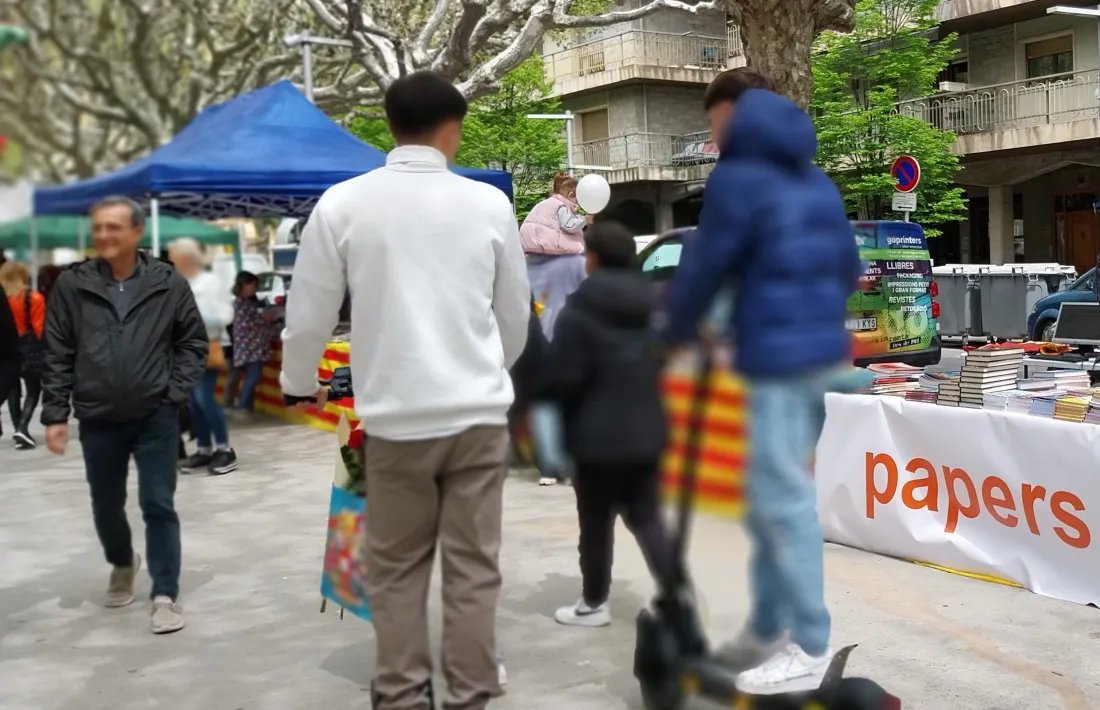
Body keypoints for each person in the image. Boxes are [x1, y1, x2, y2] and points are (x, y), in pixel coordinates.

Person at [280, 70, 529, 710]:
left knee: (394, 569)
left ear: (389, 126)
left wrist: (299, 383)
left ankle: (399, 695)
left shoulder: (342, 203)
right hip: (477, 420)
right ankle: (471, 692)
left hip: (394, 424)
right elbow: (514, 319)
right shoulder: (489, 204)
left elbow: (307, 315)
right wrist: (485, 371)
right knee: (474, 570)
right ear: (454, 127)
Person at [662, 68, 862, 695]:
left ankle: (807, 642)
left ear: (735, 116)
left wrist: (669, 336)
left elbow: (703, 266)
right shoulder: (817, 180)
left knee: (781, 500)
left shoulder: (736, 178)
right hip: (823, 355)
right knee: (770, 499)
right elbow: (850, 268)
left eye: (716, 122)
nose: (714, 137)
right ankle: (771, 623)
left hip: (777, 359)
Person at [40, 195, 207, 634]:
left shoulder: (167, 283)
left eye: (114, 227)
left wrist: (173, 393)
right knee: (106, 504)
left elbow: (192, 342)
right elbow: (56, 352)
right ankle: (122, 560)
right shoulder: (72, 286)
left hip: (155, 415)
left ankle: (165, 593)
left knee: (158, 503)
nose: (104, 236)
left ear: (136, 231)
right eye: (98, 228)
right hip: (97, 417)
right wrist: (54, 414)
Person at [538, 221, 674, 627]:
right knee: (648, 519)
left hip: (595, 440)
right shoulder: (654, 307)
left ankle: (594, 603)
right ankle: (677, 596)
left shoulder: (578, 312)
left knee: (595, 525)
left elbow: (564, 379)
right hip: (647, 431)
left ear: (592, 258)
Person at [169, 237, 238, 475]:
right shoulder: (177, 283)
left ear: (186, 258)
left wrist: (197, 323)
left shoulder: (209, 282)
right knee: (193, 402)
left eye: (173, 256)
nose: (171, 260)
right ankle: (204, 448)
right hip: (184, 350)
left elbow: (226, 313)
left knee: (203, 398)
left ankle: (224, 449)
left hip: (207, 347)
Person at [520, 174, 589, 342]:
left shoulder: (546, 204)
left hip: (537, 255)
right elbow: (569, 225)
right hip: (556, 257)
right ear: (571, 193)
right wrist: (584, 219)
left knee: (541, 303)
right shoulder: (561, 206)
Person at [0, 261, 45, 448]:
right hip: (29, 350)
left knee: (12, 391)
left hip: (6, 351)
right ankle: (23, 428)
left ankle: (18, 427)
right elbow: (39, 327)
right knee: (33, 390)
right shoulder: (34, 297)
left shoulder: (4, 298)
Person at [227, 270, 274, 419]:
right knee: (254, 375)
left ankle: (246, 408)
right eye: (252, 286)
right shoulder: (240, 304)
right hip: (248, 348)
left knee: (250, 375)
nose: (254, 289)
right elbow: (246, 325)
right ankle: (241, 406)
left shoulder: (246, 302)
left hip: (249, 347)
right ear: (245, 285)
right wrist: (265, 320)